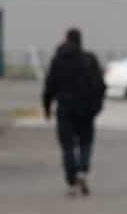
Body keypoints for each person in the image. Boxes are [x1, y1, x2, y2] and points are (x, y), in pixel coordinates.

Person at [42, 28, 104, 195]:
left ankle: (72, 179)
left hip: (65, 109)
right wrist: (97, 107)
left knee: (67, 146)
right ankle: (83, 171)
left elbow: (50, 86)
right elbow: (100, 86)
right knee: (86, 142)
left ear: (66, 39)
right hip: (87, 109)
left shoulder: (58, 60)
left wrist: (47, 108)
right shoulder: (90, 59)